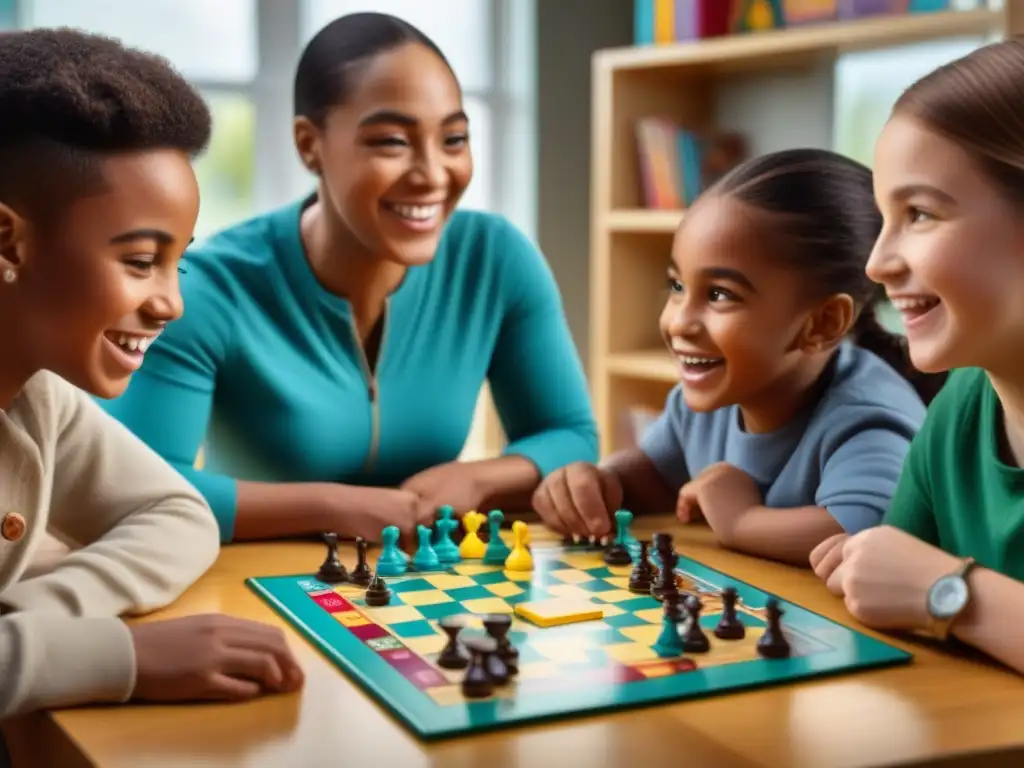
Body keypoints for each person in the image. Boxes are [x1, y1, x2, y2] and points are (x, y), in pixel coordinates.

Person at [101, 12, 597, 545]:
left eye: (453, 139)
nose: (432, 174)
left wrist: (477, 477)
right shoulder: (206, 288)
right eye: (391, 142)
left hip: (421, 586)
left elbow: (571, 435)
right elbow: (133, 492)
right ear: (309, 144)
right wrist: (333, 506)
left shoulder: (496, 260)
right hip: (252, 585)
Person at [0, 28, 302, 720]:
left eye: (178, 262)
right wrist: (120, 658)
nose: (172, 303)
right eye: (139, 261)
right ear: (7, 240)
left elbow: (176, 513)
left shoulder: (38, 400)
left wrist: (27, 618)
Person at [534, 148, 943, 565]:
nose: (679, 323)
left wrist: (742, 521)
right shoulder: (705, 404)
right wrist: (597, 482)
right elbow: (655, 476)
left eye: (719, 295)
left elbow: (865, 535)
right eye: (677, 286)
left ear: (822, 322)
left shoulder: (867, 416)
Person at [811, 40, 1024, 675]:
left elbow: (925, 582)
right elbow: (897, 571)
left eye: (920, 213)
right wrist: (875, 568)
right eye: (883, 217)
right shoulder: (962, 404)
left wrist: (948, 593)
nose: (877, 263)